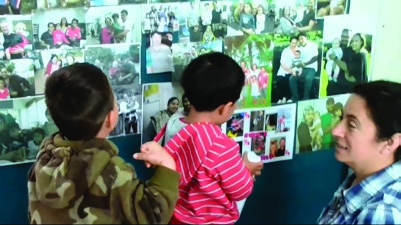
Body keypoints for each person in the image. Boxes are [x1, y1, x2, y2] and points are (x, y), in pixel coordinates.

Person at [27, 63, 180, 224]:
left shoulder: (43, 159)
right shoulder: (112, 173)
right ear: (111, 118)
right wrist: (167, 165)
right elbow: (152, 215)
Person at [146, 52, 263, 224]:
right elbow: (240, 190)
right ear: (225, 108)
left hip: (174, 215)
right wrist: (246, 170)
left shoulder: (173, 123)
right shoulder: (220, 145)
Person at [317, 81, 401, 224]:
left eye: (351, 125)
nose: (336, 131)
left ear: (390, 143)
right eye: (341, 118)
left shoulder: (381, 214)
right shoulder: (358, 177)